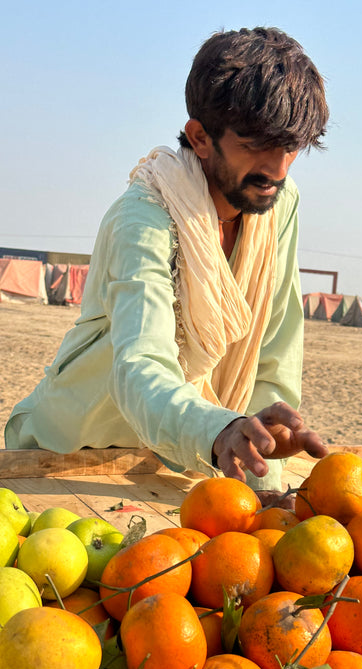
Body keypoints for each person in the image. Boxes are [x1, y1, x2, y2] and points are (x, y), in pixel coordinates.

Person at [5, 27, 330, 499]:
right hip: (73, 455)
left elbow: (274, 351)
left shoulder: (279, 202)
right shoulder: (144, 218)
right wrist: (220, 432)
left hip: (187, 460)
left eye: (291, 147)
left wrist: (262, 472)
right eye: (255, 144)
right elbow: (142, 365)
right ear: (200, 137)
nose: (277, 169)